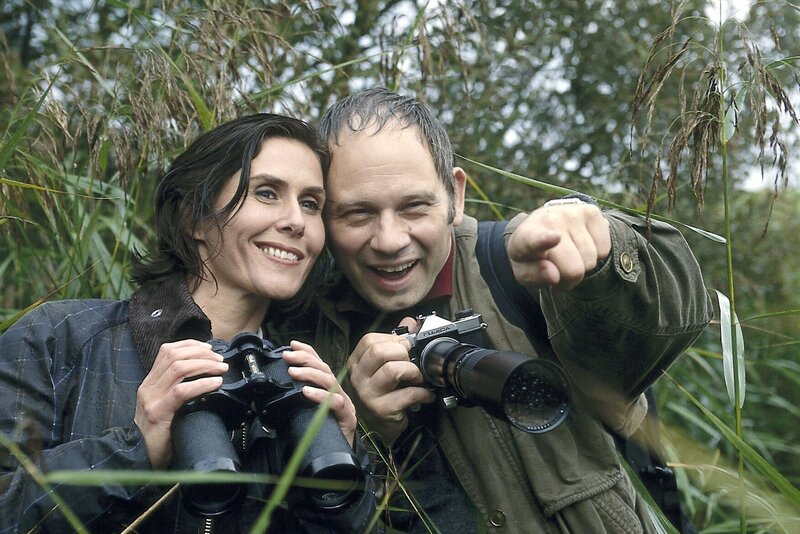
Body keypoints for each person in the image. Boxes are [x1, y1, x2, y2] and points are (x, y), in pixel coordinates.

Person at [277, 88, 713, 533]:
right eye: (357, 214)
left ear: (455, 195)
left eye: (414, 206)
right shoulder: (302, 337)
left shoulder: (521, 268)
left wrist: (601, 252)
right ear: (324, 216)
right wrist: (370, 439)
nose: (389, 240)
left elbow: (674, 312)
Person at [0, 114, 375, 533]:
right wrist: (133, 451)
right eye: (267, 193)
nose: (297, 221)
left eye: (311, 204)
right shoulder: (59, 338)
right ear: (194, 217)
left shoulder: (301, 376)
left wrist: (344, 468)